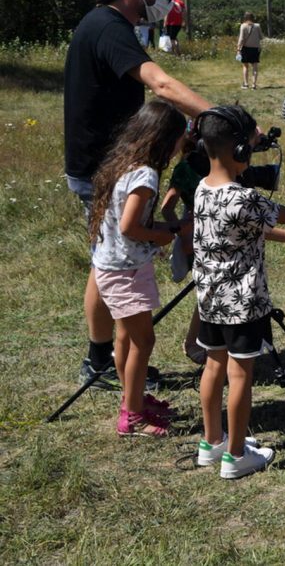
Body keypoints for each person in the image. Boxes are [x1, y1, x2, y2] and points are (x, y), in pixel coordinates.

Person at [64, 0, 213, 392]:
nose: (171, 3)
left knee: (103, 261)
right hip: (101, 167)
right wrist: (220, 115)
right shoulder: (110, 27)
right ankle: (106, 361)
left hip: (103, 162)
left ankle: (106, 358)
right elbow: (160, 83)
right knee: (110, 263)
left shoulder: (107, 24)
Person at [192, 104, 285, 479]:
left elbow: (242, 230)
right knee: (241, 374)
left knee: (214, 365)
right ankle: (235, 457)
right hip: (243, 303)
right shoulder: (244, 198)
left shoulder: (203, 188)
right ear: (240, 151)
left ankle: (212, 443)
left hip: (210, 299)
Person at [88, 99, 186, 436]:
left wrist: (162, 227)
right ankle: (132, 416)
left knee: (127, 340)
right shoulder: (146, 175)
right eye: (179, 139)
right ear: (164, 139)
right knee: (143, 342)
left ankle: (134, 399)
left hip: (114, 265)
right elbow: (130, 226)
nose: (180, 147)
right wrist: (161, 235)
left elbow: (127, 220)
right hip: (125, 270)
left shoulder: (126, 163)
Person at [159, 123, 205, 365]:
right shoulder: (186, 168)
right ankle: (191, 342)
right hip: (199, 232)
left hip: (217, 230)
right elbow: (167, 208)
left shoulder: (219, 162)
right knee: (206, 290)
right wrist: (183, 232)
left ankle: (209, 341)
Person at [236, 11, 263, 89]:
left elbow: (241, 39)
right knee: (255, 66)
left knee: (245, 66)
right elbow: (261, 37)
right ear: (252, 17)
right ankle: (254, 85)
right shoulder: (257, 26)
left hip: (245, 48)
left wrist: (238, 48)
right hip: (255, 48)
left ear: (245, 18)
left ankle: (246, 84)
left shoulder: (243, 26)